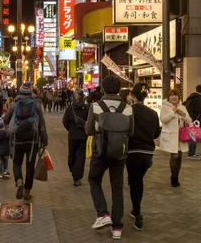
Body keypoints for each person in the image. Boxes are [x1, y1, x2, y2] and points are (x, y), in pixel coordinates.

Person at [85, 75, 134, 240]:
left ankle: (103, 214)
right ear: (119, 89)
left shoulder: (96, 106)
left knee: (94, 181)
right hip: (120, 153)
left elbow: (89, 130)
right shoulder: (127, 108)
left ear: (103, 89)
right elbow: (131, 132)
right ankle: (117, 228)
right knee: (117, 188)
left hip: (100, 152)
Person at [4, 82, 48, 202]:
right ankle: (27, 191)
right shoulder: (36, 106)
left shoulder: (13, 105)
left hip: (17, 139)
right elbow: (42, 125)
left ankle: (19, 182)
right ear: (30, 93)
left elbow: (6, 120)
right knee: (30, 166)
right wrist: (44, 140)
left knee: (17, 162)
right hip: (32, 141)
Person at [126, 83, 160, 231]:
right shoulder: (153, 113)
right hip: (148, 153)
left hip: (132, 151)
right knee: (138, 180)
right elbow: (155, 134)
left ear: (132, 96)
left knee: (134, 182)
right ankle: (135, 209)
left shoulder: (128, 111)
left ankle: (138, 214)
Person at [160, 89, 192, 188]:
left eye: (176, 95)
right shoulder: (165, 107)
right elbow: (163, 119)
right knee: (174, 155)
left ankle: (176, 176)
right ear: (168, 97)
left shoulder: (182, 107)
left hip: (181, 135)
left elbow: (189, 120)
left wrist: (182, 114)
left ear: (179, 97)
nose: (174, 97)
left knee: (180, 156)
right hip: (170, 135)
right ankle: (173, 177)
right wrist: (172, 112)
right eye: (171, 95)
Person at [62, 89, 89, 186]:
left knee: (72, 155)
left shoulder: (70, 108)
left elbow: (65, 122)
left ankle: (74, 171)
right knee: (81, 156)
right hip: (83, 135)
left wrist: (71, 129)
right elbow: (89, 122)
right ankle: (77, 176)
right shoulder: (86, 108)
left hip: (72, 135)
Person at [183, 84, 201, 159]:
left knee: (192, 135)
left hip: (190, 118)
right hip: (194, 119)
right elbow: (198, 109)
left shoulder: (191, 97)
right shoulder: (197, 98)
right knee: (193, 136)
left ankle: (192, 152)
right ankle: (191, 153)